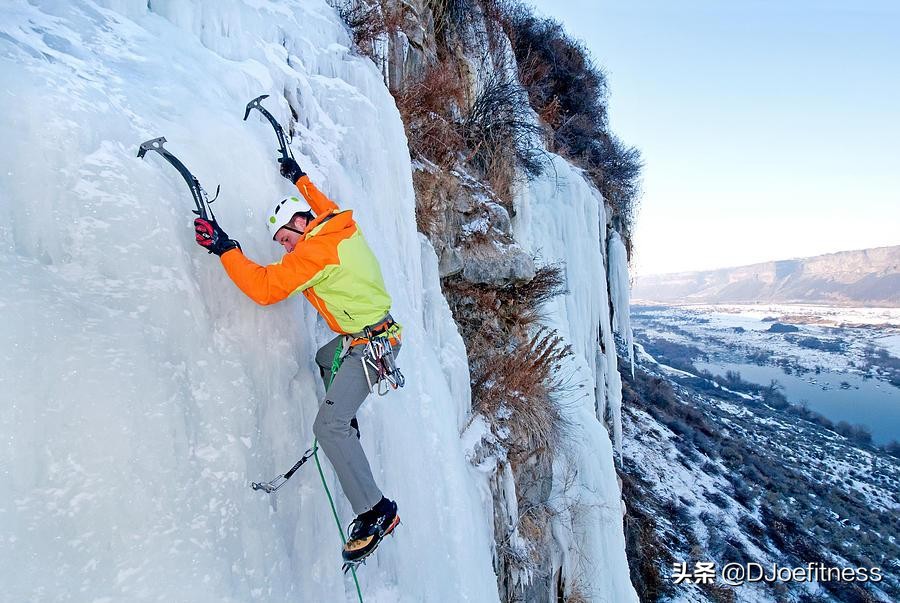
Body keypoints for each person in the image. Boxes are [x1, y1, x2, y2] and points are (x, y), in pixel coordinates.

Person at [193, 156, 401, 565]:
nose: (285, 248)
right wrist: (299, 177)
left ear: (301, 226)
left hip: (372, 346)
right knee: (326, 359)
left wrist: (225, 248)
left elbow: (267, 288)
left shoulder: (315, 254)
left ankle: (377, 512)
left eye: (285, 239)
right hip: (374, 334)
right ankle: (345, 427)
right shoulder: (335, 223)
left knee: (327, 425)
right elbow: (321, 202)